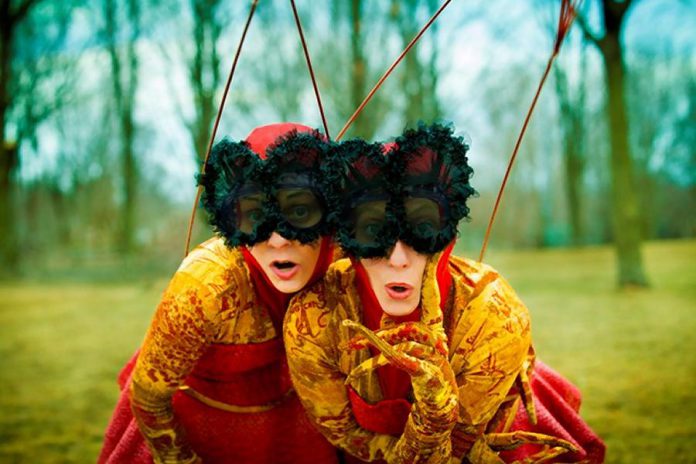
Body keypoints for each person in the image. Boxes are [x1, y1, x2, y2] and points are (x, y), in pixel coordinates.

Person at [283, 123, 605, 463]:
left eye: (421, 232)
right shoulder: (314, 317)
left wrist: (436, 416)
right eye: (374, 232)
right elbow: (341, 429)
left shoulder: (494, 316)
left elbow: (457, 445)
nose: (397, 259)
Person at [98, 123, 340, 464]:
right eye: (255, 216)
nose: (277, 240)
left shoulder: (345, 266)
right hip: (194, 426)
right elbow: (148, 395)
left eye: (299, 213)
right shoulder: (206, 284)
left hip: (296, 430)